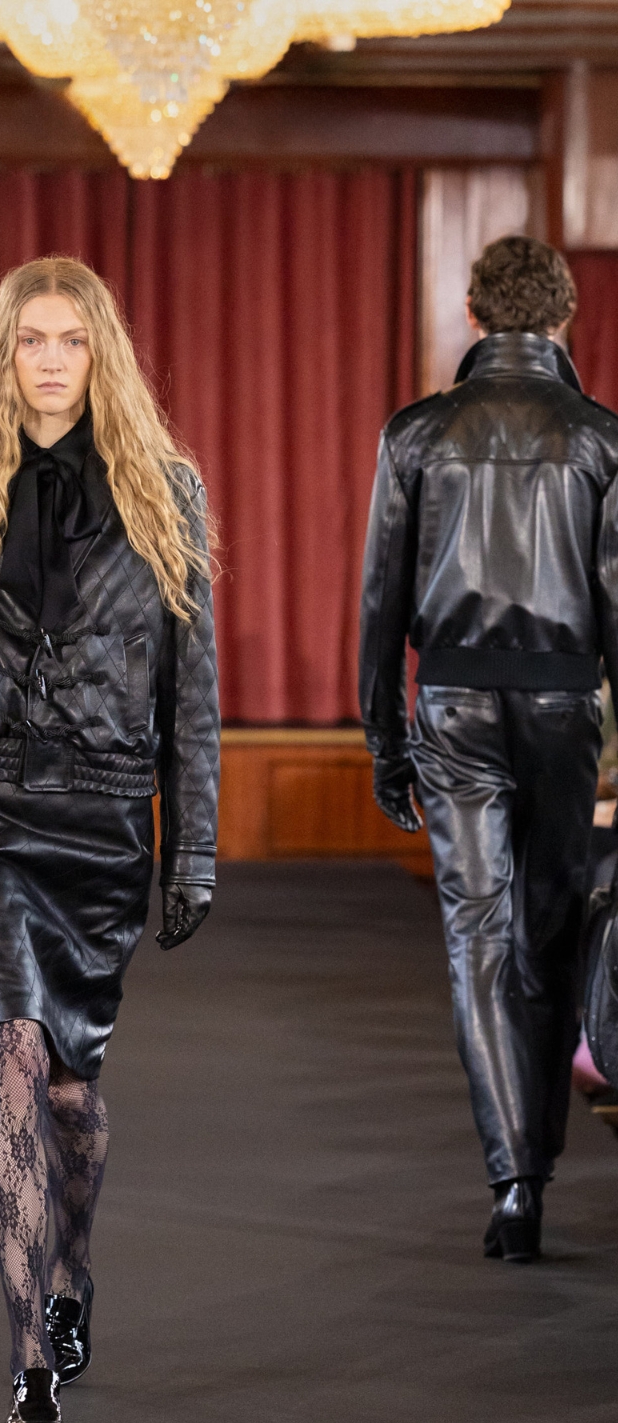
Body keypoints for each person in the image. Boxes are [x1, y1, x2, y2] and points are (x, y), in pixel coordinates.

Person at [0, 256, 220, 1423]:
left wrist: (195, 851)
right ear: (5, 354)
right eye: (33, 339)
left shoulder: (166, 490)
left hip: (106, 819)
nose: (54, 359)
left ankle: (72, 1272)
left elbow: (191, 690)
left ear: (100, 353)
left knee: (72, 1091)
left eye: (73, 339)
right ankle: (29, 1364)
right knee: (14, 1070)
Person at [359, 235, 618, 1263]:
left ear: (473, 316)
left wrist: (383, 736)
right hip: (564, 705)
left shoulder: (418, 433)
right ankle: (535, 1157)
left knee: (478, 936)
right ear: (563, 319)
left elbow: (381, 601)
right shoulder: (602, 438)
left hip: (454, 701)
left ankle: (513, 1180)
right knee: (549, 930)